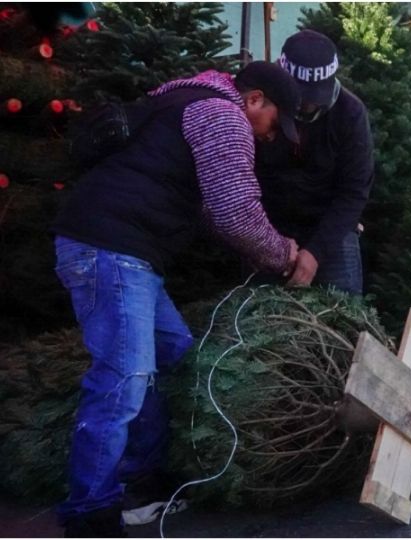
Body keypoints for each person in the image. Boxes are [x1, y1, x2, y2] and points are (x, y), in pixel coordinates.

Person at [50, 61, 302, 537]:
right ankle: (90, 514)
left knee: (173, 352)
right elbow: (234, 211)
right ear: (253, 100)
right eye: (274, 121)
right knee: (122, 379)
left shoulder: (184, 100)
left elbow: (208, 205)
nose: (271, 135)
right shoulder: (223, 116)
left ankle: (145, 480)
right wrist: (281, 254)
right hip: (113, 250)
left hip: (120, 251)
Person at [255, 29, 375, 294]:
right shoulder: (259, 106)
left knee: (343, 314)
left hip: (329, 226)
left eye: (315, 96)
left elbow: (354, 192)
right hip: (269, 225)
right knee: (257, 312)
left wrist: (316, 252)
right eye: (300, 95)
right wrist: (267, 238)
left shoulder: (350, 114)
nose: (308, 104)